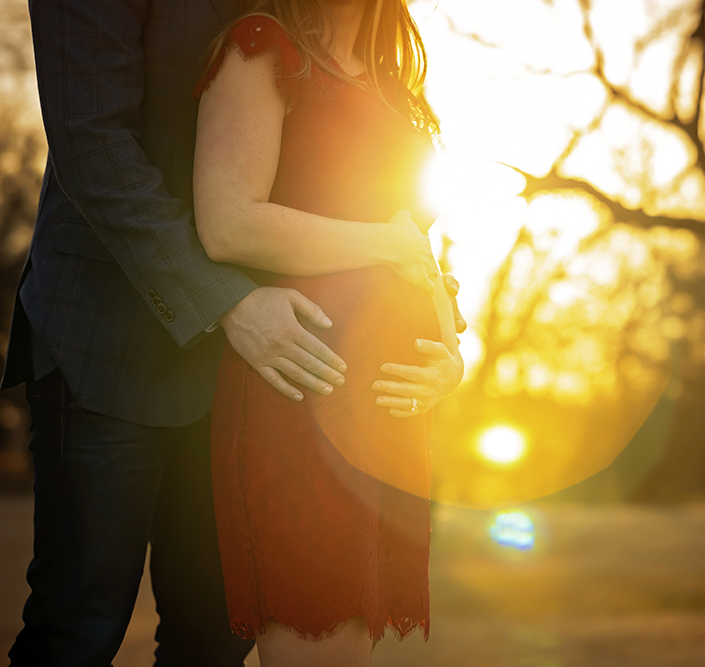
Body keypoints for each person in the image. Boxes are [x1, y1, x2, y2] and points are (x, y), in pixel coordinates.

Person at [1, 1, 465, 665]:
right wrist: (226, 301)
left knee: (215, 638)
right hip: (113, 336)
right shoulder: (256, 47)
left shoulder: (354, 57)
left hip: (260, 366)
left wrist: (433, 317)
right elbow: (93, 144)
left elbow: (355, 188)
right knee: (80, 622)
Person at [191, 0, 463, 664]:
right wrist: (387, 247)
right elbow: (226, 221)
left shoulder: (391, 86)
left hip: (383, 418)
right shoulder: (264, 50)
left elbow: (417, 247)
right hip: (303, 393)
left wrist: (452, 353)